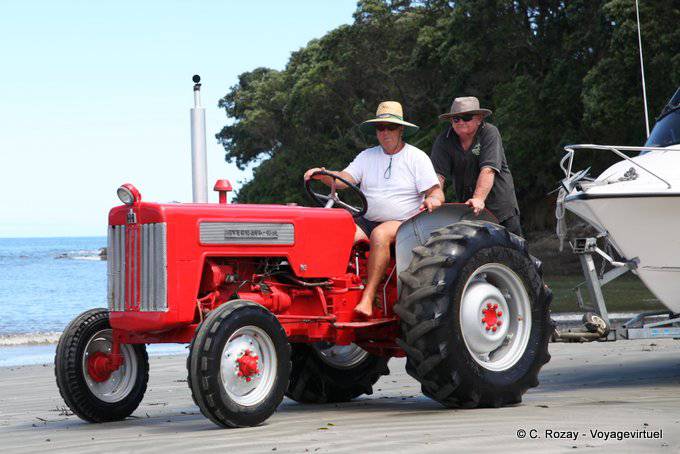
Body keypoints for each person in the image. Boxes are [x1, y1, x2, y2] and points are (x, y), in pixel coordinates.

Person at [304, 101, 444, 317]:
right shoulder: (367, 156)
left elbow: (436, 193)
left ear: (401, 130)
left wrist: (433, 200)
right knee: (339, 234)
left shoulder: (416, 157)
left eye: (390, 127)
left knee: (379, 235)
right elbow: (343, 180)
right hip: (368, 219)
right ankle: (323, 293)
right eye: (380, 128)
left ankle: (368, 298)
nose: (385, 132)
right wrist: (323, 174)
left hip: (405, 223)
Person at [430, 96, 523, 236]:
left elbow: (488, 170)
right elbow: (438, 175)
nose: (461, 122)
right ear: (451, 121)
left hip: (500, 210)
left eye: (466, 117)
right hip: (470, 212)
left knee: (514, 252)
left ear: (479, 119)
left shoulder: (489, 132)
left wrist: (479, 198)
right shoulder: (444, 140)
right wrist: (434, 197)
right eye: (456, 119)